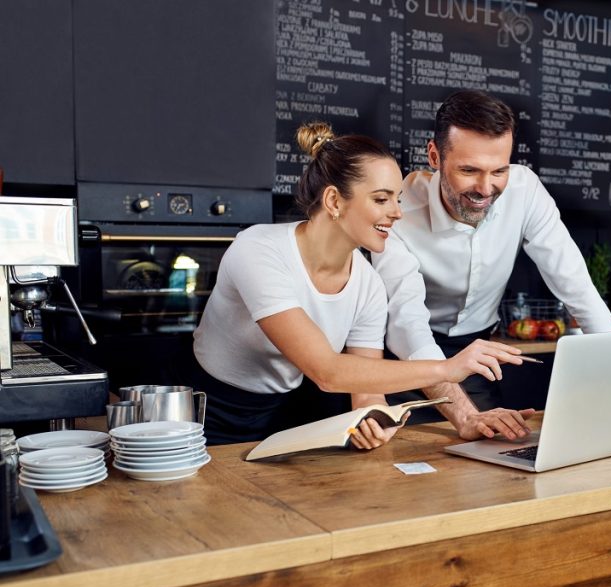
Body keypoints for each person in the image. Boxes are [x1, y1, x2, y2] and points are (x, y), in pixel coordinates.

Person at [188, 122, 527, 446]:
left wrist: (373, 417)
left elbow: (366, 388)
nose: (397, 213)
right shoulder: (258, 250)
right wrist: (448, 369)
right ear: (334, 201)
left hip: (291, 414)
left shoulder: (368, 286)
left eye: (397, 199)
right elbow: (327, 371)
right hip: (208, 414)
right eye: (381, 199)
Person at [371, 90, 611, 440]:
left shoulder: (525, 191)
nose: (485, 188)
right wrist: (463, 417)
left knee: (487, 462)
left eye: (499, 170)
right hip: (404, 361)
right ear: (434, 156)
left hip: (477, 354)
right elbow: (406, 325)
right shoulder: (398, 213)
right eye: (469, 170)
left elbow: (574, 282)